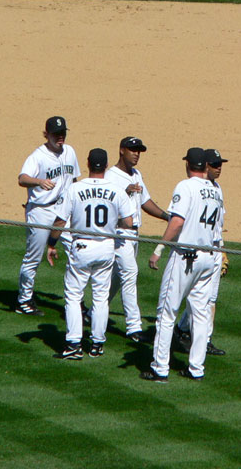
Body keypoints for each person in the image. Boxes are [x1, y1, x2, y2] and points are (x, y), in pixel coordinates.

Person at [141, 147, 224, 382]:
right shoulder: (217, 191)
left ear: (188, 164)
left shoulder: (185, 186)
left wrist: (158, 249)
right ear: (205, 166)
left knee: (166, 312)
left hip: (185, 257)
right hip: (209, 258)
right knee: (200, 315)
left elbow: (177, 222)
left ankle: (160, 368)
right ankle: (196, 369)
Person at [47, 148, 133, 360]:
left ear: (87, 164)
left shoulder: (75, 188)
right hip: (106, 247)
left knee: (74, 296)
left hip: (82, 247)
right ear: (105, 166)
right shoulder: (117, 190)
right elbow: (129, 222)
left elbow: (59, 221)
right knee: (101, 298)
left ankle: (74, 344)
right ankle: (97, 344)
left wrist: (51, 243)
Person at [104, 136, 169, 342]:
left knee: (117, 277)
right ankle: (134, 327)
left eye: (139, 150)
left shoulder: (137, 174)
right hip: (119, 234)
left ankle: (92, 313)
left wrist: (167, 216)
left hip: (134, 235)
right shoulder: (110, 176)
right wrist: (124, 192)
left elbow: (145, 201)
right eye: (133, 150)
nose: (136, 154)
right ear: (122, 150)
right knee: (130, 274)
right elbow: (104, 205)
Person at [17, 116, 80, 316]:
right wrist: (38, 181)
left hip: (63, 212)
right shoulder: (37, 156)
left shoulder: (69, 152)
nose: (60, 138)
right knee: (33, 257)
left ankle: (75, 300)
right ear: (46, 134)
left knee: (75, 253)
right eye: (56, 134)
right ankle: (24, 300)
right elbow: (22, 178)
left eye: (63, 134)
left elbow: (75, 179)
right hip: (41, 211)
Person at [173, 148, 229, 355]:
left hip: (214, 247)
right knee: (196, 297)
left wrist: (222, 250)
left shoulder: (218, 189)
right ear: (205, 166)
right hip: (197, 250)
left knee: (209, 298)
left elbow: (219, 222)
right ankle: (185, 332)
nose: (219, 168)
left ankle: (201, 339)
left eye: (220, 164)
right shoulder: (193, 187)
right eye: (215, 164)